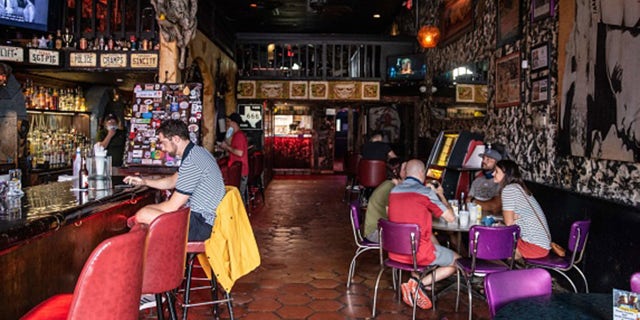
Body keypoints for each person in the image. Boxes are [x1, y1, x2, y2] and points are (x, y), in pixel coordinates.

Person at [123, 119, 225, 242]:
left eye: (163, 142)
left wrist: (145, 211)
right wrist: (144, 181)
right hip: (205, 219)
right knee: (146, 212)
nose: (162, 148)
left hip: (202, 225)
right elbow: (172, 181)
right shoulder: (197, 153)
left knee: (142, 215)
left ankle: (157, 258)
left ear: (176, 139)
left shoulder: (193, 162)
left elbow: (172, 207)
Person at [388, 159, 458, 310]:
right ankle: (417, 284)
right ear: (423, 173)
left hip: (396, 252)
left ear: (406, 173)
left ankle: (415, 281)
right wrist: (440, 195)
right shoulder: (425, 193)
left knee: (430, 243)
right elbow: (451, 218)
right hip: (418, 253)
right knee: (457, 262)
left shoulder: (394, 191)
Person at [494, 159, 550, 260]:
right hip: (543, 245)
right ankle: (509, 272)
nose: (493, 173)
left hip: (534, 247)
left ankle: (492, 273)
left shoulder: (509, 190)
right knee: (500, 241)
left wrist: (508, 220)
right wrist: (513, 218)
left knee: (492, 241)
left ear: (506, 174)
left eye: (496, 171)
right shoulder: (519, 188)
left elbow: (509, 224)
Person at [363, 158, 406, 243]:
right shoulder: (390, 188)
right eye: (405, 168)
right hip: (375, 233)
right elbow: (392, 217)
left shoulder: (389, 184)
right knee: (412, 237)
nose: (408, 171)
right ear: (395, 171)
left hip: (378, 229)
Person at [220, 113, 249, 203]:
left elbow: (240, 153)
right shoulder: (237, 135)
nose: (228, 125)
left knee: (239, 197)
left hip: (240, 171)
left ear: (233, 123)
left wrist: (226, 147)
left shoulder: (239, 135)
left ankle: (242, 216)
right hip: (239, 171)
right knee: (238, 196)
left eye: (229, 122)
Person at [466, 147, 502, 214]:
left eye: (488, 159)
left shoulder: (501, 182)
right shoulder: (477, 180)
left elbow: (494, 207)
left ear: (497, 163)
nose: (484, 161)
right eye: (483, 158)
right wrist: (485, 204)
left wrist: (473, 200)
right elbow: (468, 200)